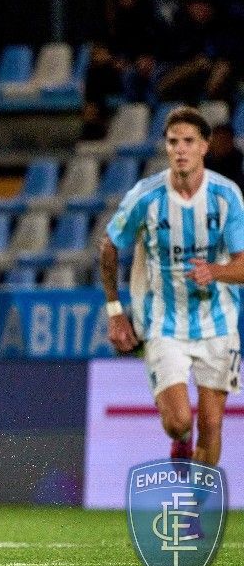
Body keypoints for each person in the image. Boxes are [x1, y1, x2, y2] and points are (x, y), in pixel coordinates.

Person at [101, 105, 244, 469]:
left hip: (218, 321)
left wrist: (215, 271)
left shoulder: (227, 196)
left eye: (188, 142)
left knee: (212, 425)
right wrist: (115, 312)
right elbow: (109, 245)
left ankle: (195, 501)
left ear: (204, 147)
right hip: (163, 321)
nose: (180, 149)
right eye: (173, 142)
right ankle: (180, 440)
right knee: (179, 421)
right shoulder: (146, 196)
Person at [205, 123, 244, 189]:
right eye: (216, 140)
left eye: (224, 140)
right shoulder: (204, 160)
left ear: (230, 142)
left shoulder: (238, 161)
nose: (219, 144)